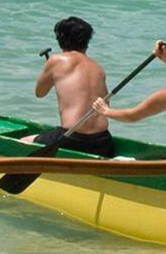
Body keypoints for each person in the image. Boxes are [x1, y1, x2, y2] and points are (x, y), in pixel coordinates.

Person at [27, 17, 115, 157]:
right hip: (102, 141)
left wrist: (50, 72)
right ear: (87, 43)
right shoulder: (98, 68)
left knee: (25, 140)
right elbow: (106, 106)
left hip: (72, 138)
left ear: (60, 40)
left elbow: (40, 93)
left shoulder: (56, 60)